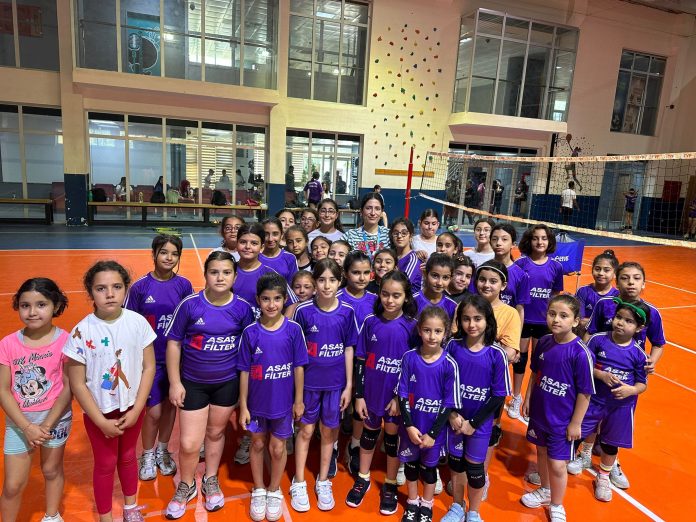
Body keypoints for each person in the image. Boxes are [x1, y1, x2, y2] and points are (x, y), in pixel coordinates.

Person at [164, 251, 254, 519]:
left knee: (215, 434)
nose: (220, 277)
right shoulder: (190, 305)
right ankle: (186, 484)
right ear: (205, 275)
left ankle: (211, 479)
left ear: (235, 277)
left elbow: (249, 348)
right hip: (193, 383)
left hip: (226, 384)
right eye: (214, 272)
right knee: (190, 443)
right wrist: (175, 382)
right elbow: (174, 344)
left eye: (226, 272)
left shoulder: (242, 308)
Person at [64, 261, 157, 522]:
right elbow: (77, 383)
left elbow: (149, 367)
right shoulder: (81, 332)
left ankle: (130, 507)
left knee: (128, 457)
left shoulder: (137, 323)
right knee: (105, 464)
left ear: (126, 288)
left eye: (117, 287)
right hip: (100, 413)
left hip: (132, 408)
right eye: (101, 288)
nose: (110, 294)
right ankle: (105, 517)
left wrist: (138, 408)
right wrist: (100, 421)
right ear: (90, 292)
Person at [346, 271, 420, 514]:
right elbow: (360, 360)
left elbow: (413, 367)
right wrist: (359, 395)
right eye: (385, 294)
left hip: (395, 399)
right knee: (368, 436)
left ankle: (389, 483)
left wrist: (399, 397)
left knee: (391, 440)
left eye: (396, 295)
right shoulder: (370, 322)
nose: (390, 300)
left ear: (406, 297)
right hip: (371, 394)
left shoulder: (412, 327)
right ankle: (363, 477)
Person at [0, 278, 71, 522]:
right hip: (20, 423)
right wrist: (27, 426)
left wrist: (47, 425)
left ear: (55, 306)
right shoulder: (7, 344)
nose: (32, 312)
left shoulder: (66, 341)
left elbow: (68, 387)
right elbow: (3, 390)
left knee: (51, 470)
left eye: (41, 304)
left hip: (55, 419)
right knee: (12, 484)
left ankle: (52, 516)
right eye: (25, 305)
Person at [239, 273, 308, 522]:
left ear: (283, 300)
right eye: (266, 299)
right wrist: (243, 405)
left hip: (282, 404)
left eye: (277, 299)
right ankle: (259, 489)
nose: (271, 304)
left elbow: (299, 367)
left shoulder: (294, 330)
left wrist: (298, 400)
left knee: (278, 448)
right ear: (258, 300)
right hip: (256, 404)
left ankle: (274, 489)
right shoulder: (250, 332)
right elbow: (244, 371)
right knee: (257, 445)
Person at [290, 260, 358, 513]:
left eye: (332, 280)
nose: (327, 285)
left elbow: (349, 348)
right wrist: (297, 393)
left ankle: (322, 480)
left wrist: (348, 386)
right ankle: (299, 481)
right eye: (321, 280)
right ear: (314, 282)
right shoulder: (303, 311)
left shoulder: (347, 312)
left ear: (340, 282)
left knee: (329, 433)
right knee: (305, 432)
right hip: (309, 385)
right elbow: (296, 353)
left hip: (335, 386)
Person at [125, 235, 193, 482]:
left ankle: (163, 450)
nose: (169, 258)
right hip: (150, 363)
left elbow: (189, 320)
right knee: (153, 412)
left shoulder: (184, 285)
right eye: (164, 252)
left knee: (170, 408)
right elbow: (129, 324)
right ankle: (147, 453)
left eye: (174, 254)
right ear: (153, 254)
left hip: (175, 360)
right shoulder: (140, 288)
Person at [520, 295, 594, 522]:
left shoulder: (580, 353)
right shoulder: (544, 341)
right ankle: (545, 490)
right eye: (552, 314)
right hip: (540, 414)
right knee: (541, 453)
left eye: (563, 316)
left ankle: (557, 504)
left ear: (575, 321)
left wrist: (576, 423)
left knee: (558, 464)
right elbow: (535, 373)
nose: (556, 320)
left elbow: (585, 392)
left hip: (562, 421)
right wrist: (528, 398)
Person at [443, 295, 509, 522]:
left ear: (488, 321)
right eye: (466, 319)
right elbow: (442, 385)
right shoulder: (452, 346)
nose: (471, 324)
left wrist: (473, 423)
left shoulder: (496, 354)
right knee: (455, 464)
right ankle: (457, 506)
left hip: (479, 424)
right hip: (454, 420)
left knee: (475, 470)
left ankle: (473, 512)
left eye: (477, 319)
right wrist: (451, 414)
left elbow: (498, 396)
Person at [579, 300, 650, 502]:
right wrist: (600, 375)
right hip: (593, 399)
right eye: (618, 317)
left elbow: (642, 384)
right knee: (579, 432)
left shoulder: (639, 354)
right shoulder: (598, 340)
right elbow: (583, 365)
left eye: (629, 321)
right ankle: (582, 456)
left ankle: (603, 476)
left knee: (610, 443)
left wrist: (631, 390)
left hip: (620, 406)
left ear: (639, 328)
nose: (621, 323)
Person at [398, 307, 460, 522]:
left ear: (445, 333)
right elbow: (402, 394)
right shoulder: (409, 358)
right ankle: (412, 502)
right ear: (419, 330)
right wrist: (409, 425)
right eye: (427, 330)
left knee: (429, 470)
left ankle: (426, 505)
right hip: (411, 428)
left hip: (434, 432)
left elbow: (448, 403)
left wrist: (433, 433)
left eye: (437, 331)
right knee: (411, 467)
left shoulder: (449, 364)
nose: (432, 336)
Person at [508, 225, 564, 420]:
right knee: (520, 359)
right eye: (535, 238)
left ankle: (531, 399)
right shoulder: (521, 264)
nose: (540, 242)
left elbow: (555, 295)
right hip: (523, 320)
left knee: (538, 361)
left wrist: (553, 318)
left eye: (544, 238)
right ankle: (516, 397)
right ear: (529, 241)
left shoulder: (556, 267)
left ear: (549, 242)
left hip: (543, 322)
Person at [338, 251, 378, 475]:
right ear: (345, 273)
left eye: (366, 273)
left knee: (361, 403)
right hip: (341, 359)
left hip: (366, 361)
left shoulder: (375, 300)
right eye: (356, 272)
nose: (362, 278)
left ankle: (354, 445)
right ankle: (332, 445)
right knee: (339, 403)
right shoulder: (336, 297)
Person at [233, 223, 296, 321]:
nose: (248, 246)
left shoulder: (270, 274)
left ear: (261, 247)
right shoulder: (227, 271)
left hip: (260, 329)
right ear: (236, 244)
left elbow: (292, 303)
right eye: (243, 242)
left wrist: (281, 326)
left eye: (254, 243)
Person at [490, 224, 530, 321]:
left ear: (513, 244)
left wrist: (517, 330)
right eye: (494, 239)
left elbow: (520, 309)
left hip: (508, 325)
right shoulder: (482, 270)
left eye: (504, 239)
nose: (498, 243)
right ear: (490, 242)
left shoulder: (521, 275)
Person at [575, 250, 619, 333]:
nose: (601, 273)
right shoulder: (583, 291)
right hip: (584, 335)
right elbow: (580, 321)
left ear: (615, 273)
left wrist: (591, 322)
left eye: (606, 270)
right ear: (592, 270)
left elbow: (617, 325)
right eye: (597, 269)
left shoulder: (618, 295)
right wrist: (605, 323)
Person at [342, 193, 391, 260]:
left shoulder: (389, 235)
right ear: (361, 211)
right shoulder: (350, 236)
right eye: (368, 208)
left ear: (382, 212)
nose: (373, 213)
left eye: (377, 209)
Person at [414, 254, 457, 320]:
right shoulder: (413, 301)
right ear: (425, 274)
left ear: (450, 279)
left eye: (445, 277)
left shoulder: (452, 306)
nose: (439, 283)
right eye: (435, 276)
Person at [259, 218, 299, 284]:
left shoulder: (290, 258)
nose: (270, 239)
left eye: (275, 234)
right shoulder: (255, 258)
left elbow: (293, 285)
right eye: (266, 234)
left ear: (282, 235)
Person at [390, 218, 422, 291]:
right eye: (396, 233)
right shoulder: (391, 256)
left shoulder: (413, 259)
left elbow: (404, 284)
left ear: (411, 236)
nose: (399, 236)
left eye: (404, 233)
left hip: (409, 297)